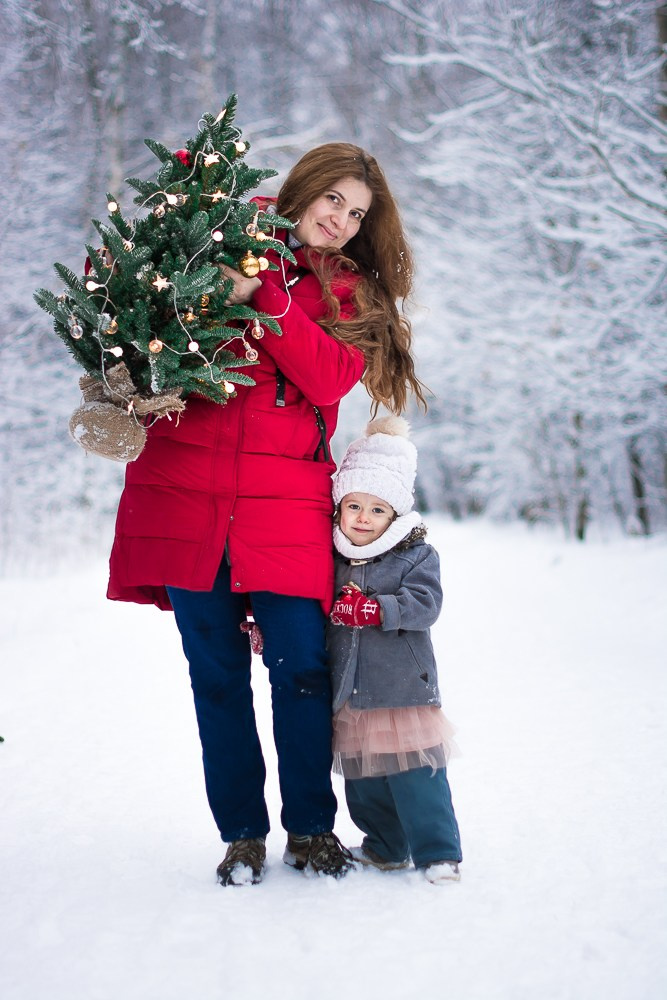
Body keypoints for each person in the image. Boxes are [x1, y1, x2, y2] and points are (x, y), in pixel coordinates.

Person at [107, 143, 426, 886]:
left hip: (284, 502)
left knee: (302, 670)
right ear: (304, 189)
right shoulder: (216, 241)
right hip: (186, 489)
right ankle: (241, 835)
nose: (341, 221)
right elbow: (139, 325)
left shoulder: (349, 291)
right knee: (215, 674)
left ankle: (311, 827)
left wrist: (270, 300)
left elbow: (328, 379)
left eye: (356, 213)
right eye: (334, 201)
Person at [327, 416, 462, 884]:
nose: (363, 518)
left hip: (403, 689)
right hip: (352, 691)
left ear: (396, 515)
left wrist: (376, 609)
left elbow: (427, 604)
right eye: (354, 505)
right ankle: (384, 847)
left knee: (417, 777)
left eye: (377, 509)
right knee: (364, 782)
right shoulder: (332, 557)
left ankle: (438, 853)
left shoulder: (415, 556)